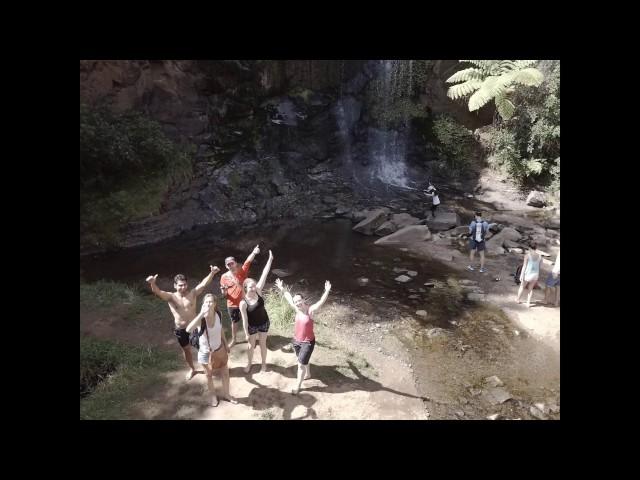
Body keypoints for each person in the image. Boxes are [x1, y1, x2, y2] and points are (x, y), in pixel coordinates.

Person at [146, 266, 220, 381]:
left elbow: (203, 284)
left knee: (205, 347)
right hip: (181, 330)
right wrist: (152, 283)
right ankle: (192, 369)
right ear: (175, 286)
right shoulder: (171, 297)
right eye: (180, 285)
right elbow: (158, 292)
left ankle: (208, 366)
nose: (183, 287)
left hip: (195, 327)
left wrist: (212, 273)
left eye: (185, 284)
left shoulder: (192, 294)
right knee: (186, 350)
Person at [275, 278, 331, 395]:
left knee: (300, 364)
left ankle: (297, 386)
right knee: (302, 360)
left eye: (299, 301)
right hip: (296, 341)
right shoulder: (297, 309)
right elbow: (288, 297)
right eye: (296, 302)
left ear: (304, 300)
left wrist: (326, 291)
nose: (297, 303)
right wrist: (281, 288)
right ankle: (308, 374)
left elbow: (320, 302)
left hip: (308, 342)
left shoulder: (310, 310)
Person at [185, 294, 237, 406]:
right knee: (208, 375)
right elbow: (188, 329)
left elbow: (220, 329)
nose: (208, 304)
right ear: (203, 304)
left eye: (210, 302)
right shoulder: (201, 320)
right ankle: (213, 396)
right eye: (206, 302)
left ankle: (227, 394)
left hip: (220, 350)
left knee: (225, 373)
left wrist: (226, 344)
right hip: (205, 353)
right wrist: (200, 314)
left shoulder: (219, 314)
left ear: (215, 304)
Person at [239, 250, 274, 374]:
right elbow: (245, 320)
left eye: (254, 286)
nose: (253, 288)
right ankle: (249, 364)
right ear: (245, 288)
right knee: (251, 346)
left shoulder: (258, 291)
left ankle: (263, 365)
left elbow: (264, 273)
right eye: (250, 287)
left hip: (264, 323)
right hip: (252, 326)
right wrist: (246, 333)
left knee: (263, 344)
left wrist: (270, 260)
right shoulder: (243, 303)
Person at [220, 245, 261, 348]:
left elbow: (248, 261)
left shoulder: (242, 271)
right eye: (228, 264)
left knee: (248, 320)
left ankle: (250, 338)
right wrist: (224, 291)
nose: (230, 265)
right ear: (226, 266)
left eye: (232, 263)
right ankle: (234, 340)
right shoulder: (224, 277)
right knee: (234, 322)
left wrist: (254, 252)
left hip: (244, 301)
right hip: (232, 303)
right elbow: (224, 295)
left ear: (235, 263)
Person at [516, 243, 542, 307]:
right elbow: (539, 267)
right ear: (536, 248)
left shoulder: (527, 255)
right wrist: (538, 275)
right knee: (530, 289)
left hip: (528, 274)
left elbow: (524, 266)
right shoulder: (540, 256)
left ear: (530, 248)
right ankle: (528, 303)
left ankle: (518, 299)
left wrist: (522, 275)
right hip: (535, 274)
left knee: (522, 286)